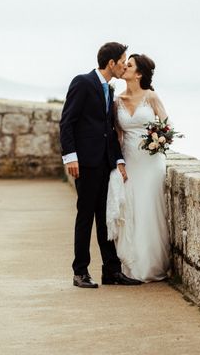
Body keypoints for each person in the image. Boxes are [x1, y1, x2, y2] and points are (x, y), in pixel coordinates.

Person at [59, 42, 142, 288]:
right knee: (85, 216)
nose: (125, 65)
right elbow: (67, 122)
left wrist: (118, 160)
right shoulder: (83, 82)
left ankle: (111, 271)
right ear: (110, 63)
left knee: (106, 217)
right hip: (85, 163)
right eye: (123, 61)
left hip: (105, 163)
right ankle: (80, 272)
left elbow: (108, 130)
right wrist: (70, 157)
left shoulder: (109, 90)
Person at [109, 53, 170, 282]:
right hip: (129, 160)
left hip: (151, 162)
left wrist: (158, 139)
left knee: (149, 210)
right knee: (130, 208)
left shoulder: (151, 97)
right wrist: (118, 162)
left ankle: (151, 265)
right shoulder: (117, 101)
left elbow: (166, 126)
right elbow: (116, 135)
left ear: (139, 73)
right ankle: (132, 265)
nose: (125, 67)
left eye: (130, 65)